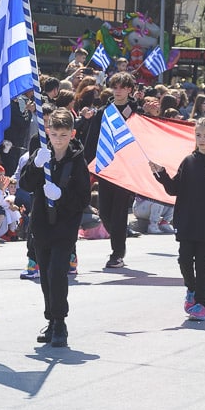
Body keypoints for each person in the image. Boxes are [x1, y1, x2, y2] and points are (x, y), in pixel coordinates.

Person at [149, 116, 205, 322]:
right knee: (184, 259)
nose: (201, 139)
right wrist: (161, 174)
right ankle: (191, 289)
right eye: (198, 135)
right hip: (187, 221)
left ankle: (200, 303)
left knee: (203, 263)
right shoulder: (188, 161)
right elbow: (174, 189)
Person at [19, 107, 91, 348]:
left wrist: (61, 195)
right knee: (45, 276)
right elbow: (26, 184)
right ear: (47, 132)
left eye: (63, 135)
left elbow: (83, 198)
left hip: (64, 226)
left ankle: (60, 322)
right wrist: (35, 166)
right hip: (42, 224)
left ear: (72, 134)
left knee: (57, 272)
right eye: (54, 134)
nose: (58, 140)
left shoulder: (77, 161)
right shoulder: (41, 154)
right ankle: (50, 319)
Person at [81, 72, 138, 269]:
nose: (118, 91)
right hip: (107, 166)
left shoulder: (136, 112)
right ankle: (118, 238)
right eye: (115, 87)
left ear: (130, 89)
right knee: (105, 212)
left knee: (119, 211)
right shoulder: (103, 112)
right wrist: (87, 163)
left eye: (122, 87)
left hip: (127, 168)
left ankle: (117, 253)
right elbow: (92, 139)